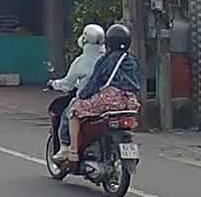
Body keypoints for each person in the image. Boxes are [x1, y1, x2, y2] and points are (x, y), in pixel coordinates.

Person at [58, 23, 141, 163]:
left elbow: (95, 82)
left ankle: (73, 152)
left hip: (110, 101)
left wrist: (83, 96)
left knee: (74, 109)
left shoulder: (106, 60)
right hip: (130, 102)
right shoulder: (132, 60)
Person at [51, 24, 106, 161]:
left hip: (88, 101)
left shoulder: (82, 61)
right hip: (107, 102)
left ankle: (66, 147)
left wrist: (53, 84)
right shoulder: (109, 59)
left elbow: (68, 84)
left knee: (67, 114)